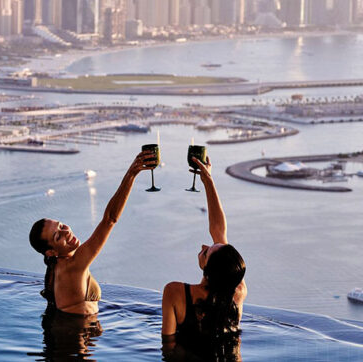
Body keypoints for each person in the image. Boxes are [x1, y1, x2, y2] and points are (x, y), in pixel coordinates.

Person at [28, 150, 155, 315]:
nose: (66, 232)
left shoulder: (57, 268)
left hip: (74, 332)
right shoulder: (74, 265)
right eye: (58, 236)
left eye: (61, 226)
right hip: (76, 335)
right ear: (51, 252)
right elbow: (110, 219)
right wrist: (131, 174)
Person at [161, 155, 247, 356]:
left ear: (208, 269)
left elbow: (168, 348)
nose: (203, 245)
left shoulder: (175, 292)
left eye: (207, 251)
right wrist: (208, 180)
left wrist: (207, 179)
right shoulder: (237, 292)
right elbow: (219, 231)